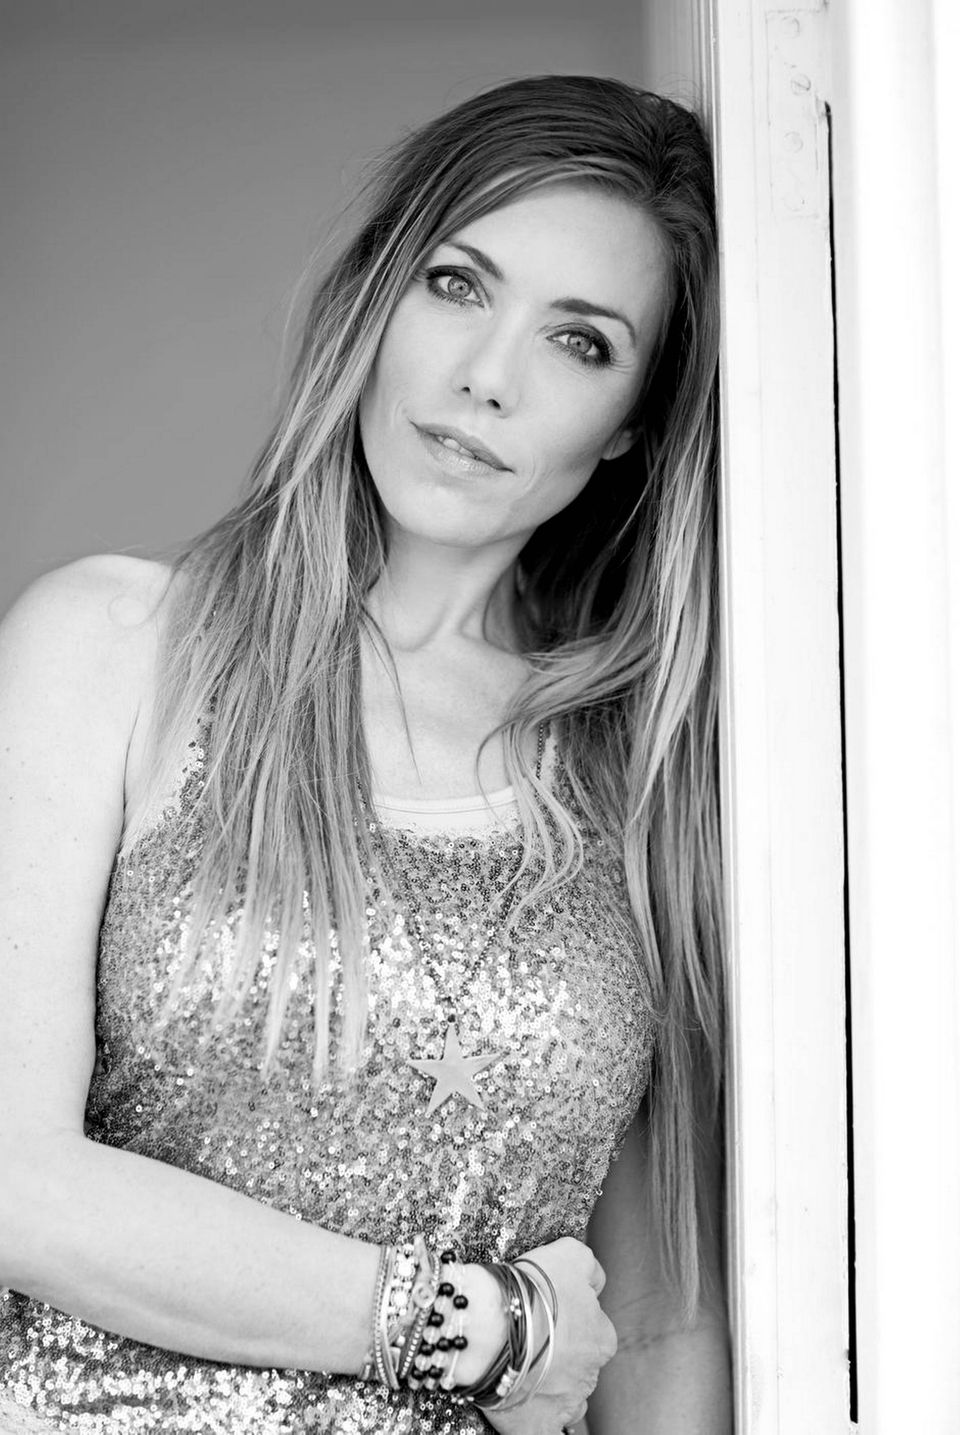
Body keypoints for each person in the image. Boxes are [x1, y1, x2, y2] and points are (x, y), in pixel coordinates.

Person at [0, 74, 731, 1434]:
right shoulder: (112, 648)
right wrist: (475, 1325)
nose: (487, 378)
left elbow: (659, 1312)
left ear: (635, 417)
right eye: (457, 286)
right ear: (378, 299)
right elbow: (15, 1186)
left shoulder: (648, 773)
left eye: (580, 342)